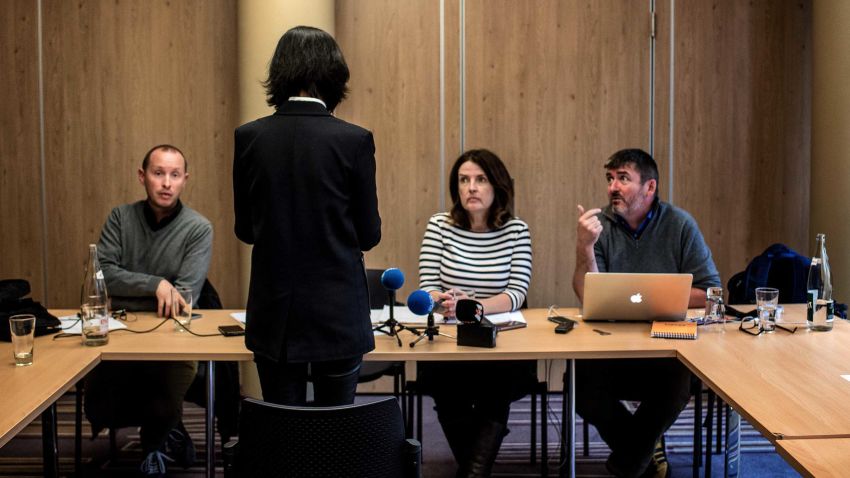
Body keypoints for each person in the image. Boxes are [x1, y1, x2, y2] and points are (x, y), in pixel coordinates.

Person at [233, 26, 381, 407]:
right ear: (335, 77)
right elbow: (368, 235)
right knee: (336, 428)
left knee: (284, 432)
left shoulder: (249, 138)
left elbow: (246, 230)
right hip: (339, 315)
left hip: (274, 316)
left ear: (279, 74)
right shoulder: (355, 140)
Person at [572, 148, 720, 478]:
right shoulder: (601, 228)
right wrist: (585, 247)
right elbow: (586, 294)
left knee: (677, 385)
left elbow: (711, 293)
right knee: (579, 385)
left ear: (649, 188)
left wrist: (655, 297)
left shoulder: (680, 225)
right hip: (611, 348)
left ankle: (629, 462)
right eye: (610, 178)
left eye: (623, 178)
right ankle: (644, 448)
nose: (612, 187)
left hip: (665, 349)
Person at [85, 144, 213, 477]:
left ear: (185, 179)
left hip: (172, 335)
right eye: (158, 174)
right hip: (120, 332)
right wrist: (156, 285)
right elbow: (103, 276)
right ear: (143, 177)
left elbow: (185, 295)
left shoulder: (198, 228)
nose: (166, 183)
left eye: (174, 175)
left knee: (167, 384)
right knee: (100, 399)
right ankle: (169, 430)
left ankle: (157, 441)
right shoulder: (120, 218)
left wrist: (131, 293)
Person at [418, 149, 534, 477]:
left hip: (498, 339)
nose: (471, 187)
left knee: (496, 387)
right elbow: (427, 286)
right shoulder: (439, 225)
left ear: (497, 186)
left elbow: (516, 294)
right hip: (451, 335)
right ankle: (475, 469)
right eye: (464, 180)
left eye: (480, 180)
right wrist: (440, 298)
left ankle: (472, 471)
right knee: (444, 386)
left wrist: (475, 306)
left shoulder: (516, 230)